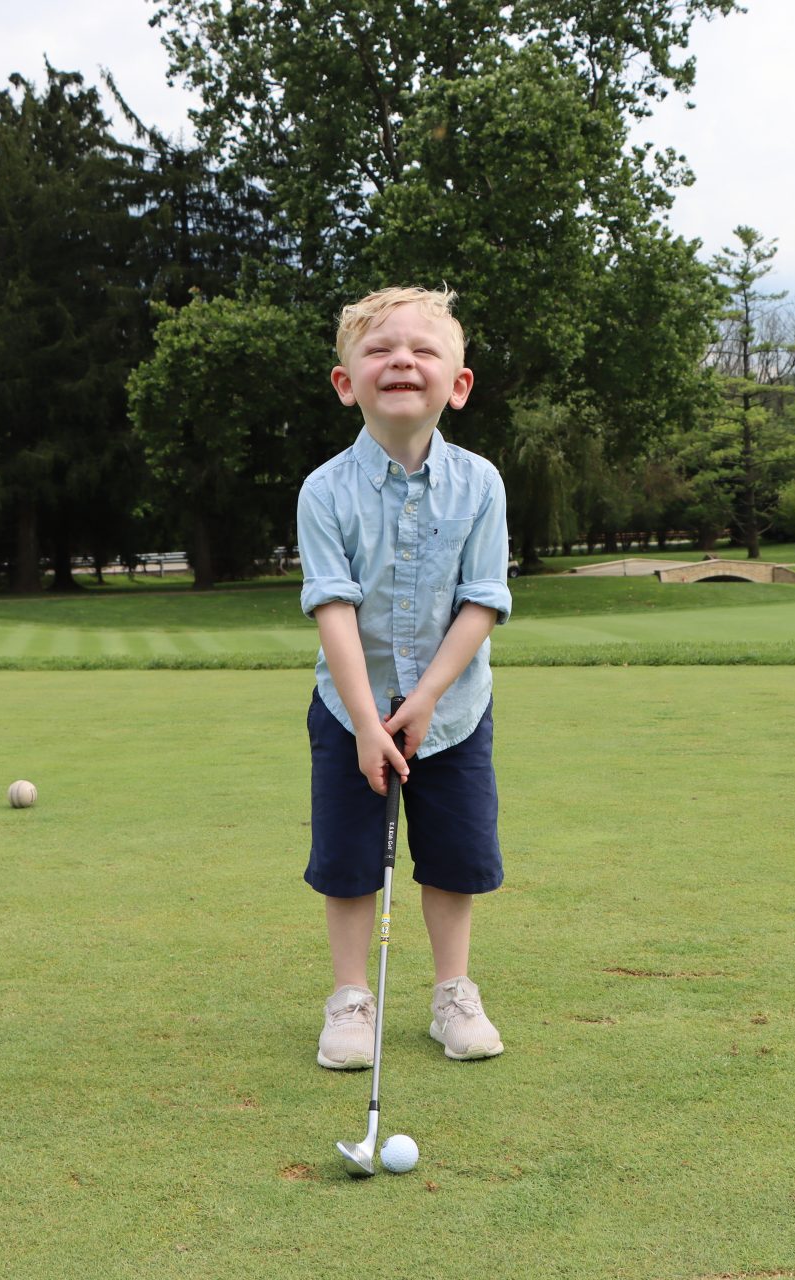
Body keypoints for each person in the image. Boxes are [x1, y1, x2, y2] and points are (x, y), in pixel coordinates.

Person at [295, 285, 512, 1070]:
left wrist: (424, 700)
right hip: (347, 710)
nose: (402, 361)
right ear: (346, 382)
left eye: (424, 350)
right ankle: (351, 998)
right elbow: (334, 610)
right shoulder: (324, 491)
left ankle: (453, 991)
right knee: (350, 861)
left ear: (457, 384)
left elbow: (484, 601)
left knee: (455, 857)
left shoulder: (481, 483)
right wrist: (365, 722)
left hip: (454, 712)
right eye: (381, 349)